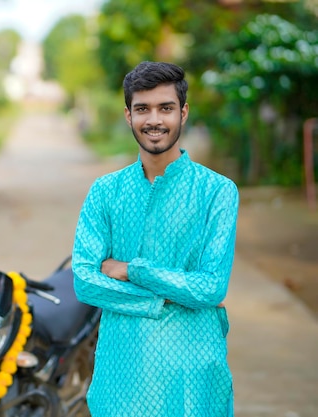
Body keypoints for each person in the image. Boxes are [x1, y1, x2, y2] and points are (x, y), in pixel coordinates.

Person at [72, 61, 239, 417]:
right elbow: (86, 281)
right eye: (142, 109)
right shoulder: (106, 191)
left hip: (193, 373)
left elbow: (211, 288)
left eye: (166, 108)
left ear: (184, 112)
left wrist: (133, 270)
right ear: (128, 115)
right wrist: (165, 300)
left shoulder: (218, 192)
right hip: (123, 372)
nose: (154, 120)